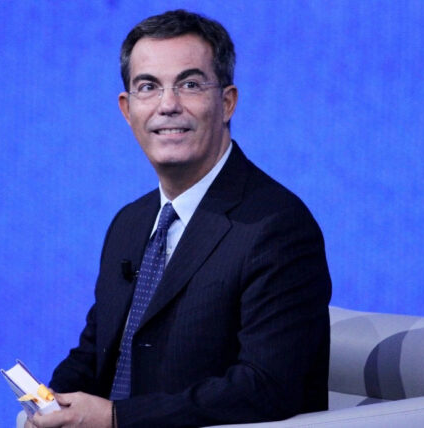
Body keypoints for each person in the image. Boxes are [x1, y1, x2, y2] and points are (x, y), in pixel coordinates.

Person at [28, 9, 331, 428]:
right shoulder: (129, 223)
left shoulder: (275, 226)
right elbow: (96, 353)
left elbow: (266, 388)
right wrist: (50, 406)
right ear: (127, 109)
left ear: (227, 103)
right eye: (148, 87)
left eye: (189, 84)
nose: (168, 105)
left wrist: (117, 418)